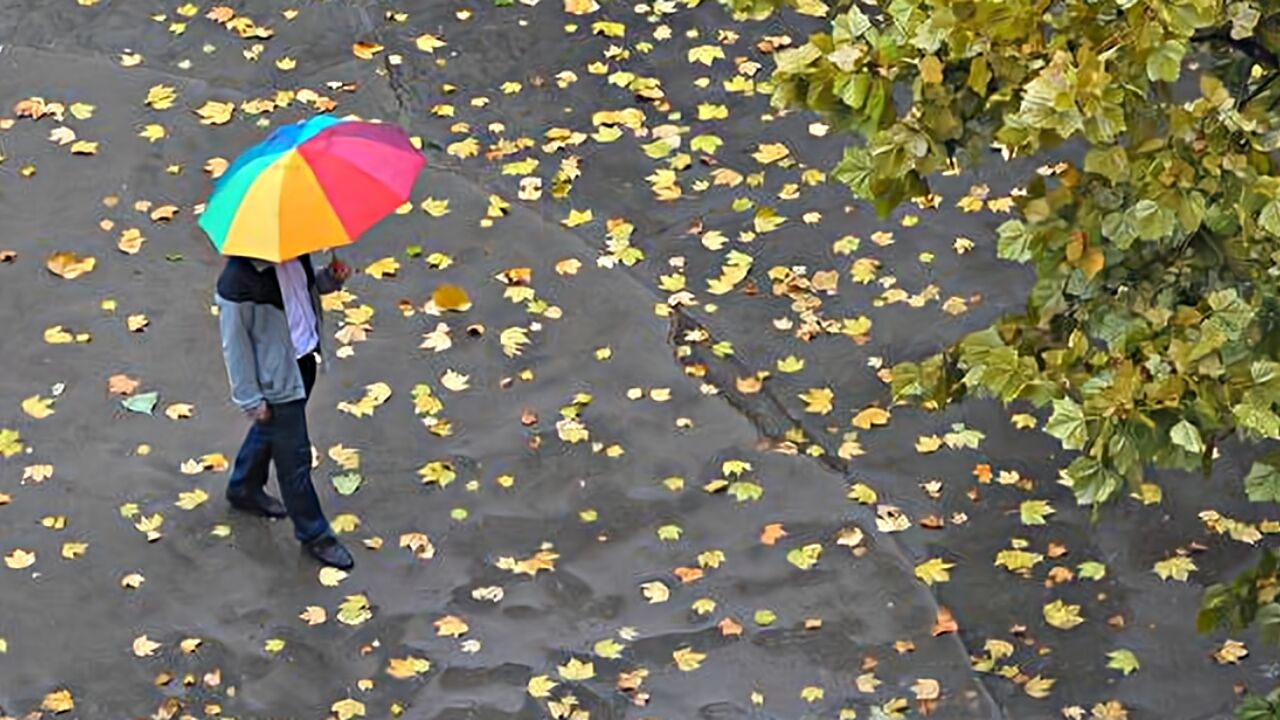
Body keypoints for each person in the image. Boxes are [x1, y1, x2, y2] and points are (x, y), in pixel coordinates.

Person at [214, 253, 354, 569]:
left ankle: (243, 487)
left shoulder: (295, 254)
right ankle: (316, 534)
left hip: (303, 362)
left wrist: (330, 279)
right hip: (276, 379)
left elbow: (304, 291)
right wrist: (250, 399)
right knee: (296, 460)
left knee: (272, 429)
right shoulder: (237, 282)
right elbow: (234, 345)